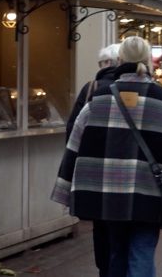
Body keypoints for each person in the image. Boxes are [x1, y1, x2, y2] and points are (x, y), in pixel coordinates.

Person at [52, 36, 162, 277]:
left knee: (116, 250)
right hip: (149, 191)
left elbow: (74, 144)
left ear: (119, 60)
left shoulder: (98, 99)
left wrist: (66, 188)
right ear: (149, 61)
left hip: (108, 193)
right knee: (142, 250)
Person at [63, 43, 120, 277]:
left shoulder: (91, 89)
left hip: (94, 170)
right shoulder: (133, 88)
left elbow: (73, 129)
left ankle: (104, 269)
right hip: (126, 171)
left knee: (100, 225)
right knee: (123, 226)